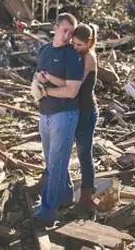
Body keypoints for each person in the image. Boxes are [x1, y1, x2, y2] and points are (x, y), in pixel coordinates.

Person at [31, 13, 84, 227]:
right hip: (45, 114)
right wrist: (36, 87)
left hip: (65, 115)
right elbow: (37, 75)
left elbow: (71, 92)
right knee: (54, 162)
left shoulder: (72, 56)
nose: (68, 36)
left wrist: (47, 92)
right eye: (64, 31)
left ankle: (48, 212)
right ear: (55, 28)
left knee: (55, 164)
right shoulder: (44, 50)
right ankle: (66, 195)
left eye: (71, 33)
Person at [41, 23, 98, 216]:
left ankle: (86, 197)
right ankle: (63, 191)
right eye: (73, 44)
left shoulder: (88, 58)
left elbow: (73, 86)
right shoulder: (76, 55)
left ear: (89, 43)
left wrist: (50, 85)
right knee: (60, 150)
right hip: (72, 110)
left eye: (79, 45)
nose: (75, 48)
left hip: (86, 112)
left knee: (83, 154)